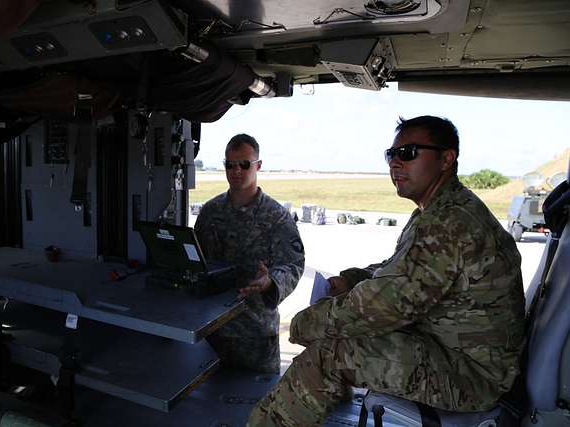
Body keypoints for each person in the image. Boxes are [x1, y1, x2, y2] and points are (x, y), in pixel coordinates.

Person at [248, 116, 526, 425]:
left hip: (470, 376)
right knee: (341, 334)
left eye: (408, 153)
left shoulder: (449, 222)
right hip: (455, 354)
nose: (395, 163)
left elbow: (384, 306)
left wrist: (306, 323)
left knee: (331, 351)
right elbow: (400, 271)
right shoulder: (440, 211)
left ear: (446, 159)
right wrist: (353, 279)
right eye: (391, 155)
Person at [194, 133, 305, 374]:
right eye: (230, 165)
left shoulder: (276, 216)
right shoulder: (210, 212)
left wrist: (271, 281)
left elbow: (293, 264)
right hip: (212, 334)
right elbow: (196, 261)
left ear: (258, 166)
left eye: (244, 164)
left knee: (254, 408)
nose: (236, 171)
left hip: (255, 336)